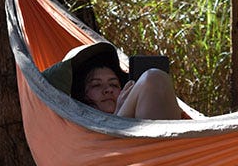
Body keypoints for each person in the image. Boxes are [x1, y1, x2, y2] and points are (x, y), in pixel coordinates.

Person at [44, 42, 182, 120]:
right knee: (153, 78)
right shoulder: (76, 125)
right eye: (96, 85)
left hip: (159, 155)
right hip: (112, 153)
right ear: (79, 93)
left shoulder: (139, 107)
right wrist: (117, 116)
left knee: (156, 79)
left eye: (114, 84)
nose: (108, 89)